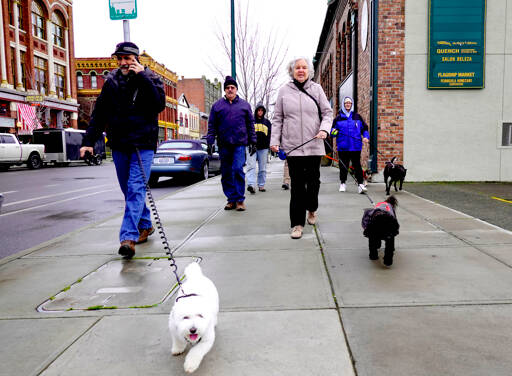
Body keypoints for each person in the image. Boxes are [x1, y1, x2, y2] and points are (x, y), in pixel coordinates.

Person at [79, 42, 165, 259]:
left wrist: (143, 77)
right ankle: (145, 224)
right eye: (121, 59)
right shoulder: (111, 83)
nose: (124, 63)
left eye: (128, 58)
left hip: (142, 145)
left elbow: (159, 105)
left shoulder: (151, 79)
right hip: (119, 144)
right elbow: (98, 115)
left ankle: (128, 237)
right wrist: (88, 142)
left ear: (136, 59)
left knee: (136, 188)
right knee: (128, 190)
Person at [270, 57, 333, 239]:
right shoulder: (283, 91)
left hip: (314, 144)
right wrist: (275, 141)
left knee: (313, 183)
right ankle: (297, 224)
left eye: (304, 68)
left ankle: (312, 208)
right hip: (293, 146)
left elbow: (327, 113)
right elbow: (278, 118)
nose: (301, 70)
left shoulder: (316, 89)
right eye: (297, 68)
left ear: (309, 71)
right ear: (292, 71)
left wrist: (324, 130)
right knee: (297, 186)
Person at [207, 76, 256, 211]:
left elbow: (250, 124)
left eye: (232, 87)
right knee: (226, 172)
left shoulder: (245, 105)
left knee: (237, 169)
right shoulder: (217, 106)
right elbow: (212, 125)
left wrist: (253, 141)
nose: (230, 90)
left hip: (239, 143)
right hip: (224, 144)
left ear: (236, 89)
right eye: (227, 88)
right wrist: (210, 142)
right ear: (225, 90)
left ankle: (240, 200)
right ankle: (231, 199)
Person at [331, 96, 369, 194]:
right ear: (343, 105)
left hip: (355, 146)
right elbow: (332, 133)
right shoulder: (338, 118)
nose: (348, 104)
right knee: (343, 166)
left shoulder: (357, 117)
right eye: (346, 103)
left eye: (349, 103)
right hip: (343, 147)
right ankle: (343, 183)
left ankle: (360, 184)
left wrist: (365, 137)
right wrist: (334, 132)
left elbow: (364, 129)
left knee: (357, 166)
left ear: (351, 105)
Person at [246, 103, 271, 193]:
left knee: (262, 168)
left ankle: (261, 185)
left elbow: (270, 135)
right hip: (251, 147)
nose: (260, 112)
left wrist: (269, 144)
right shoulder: (251, 121)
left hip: (263, 148)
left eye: (262, 110)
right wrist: (249, 143)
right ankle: (251, 185)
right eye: (258, 110)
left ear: (264, 112)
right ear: (256, 111)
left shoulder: (267, 122)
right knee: (251, 166)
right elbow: (247, 133)